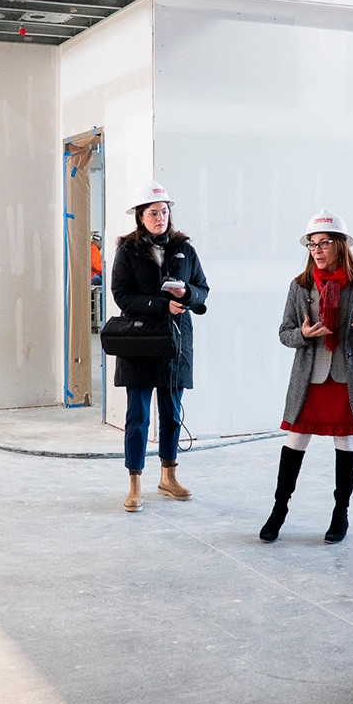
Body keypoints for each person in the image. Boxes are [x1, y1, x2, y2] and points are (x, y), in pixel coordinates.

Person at [260, 211, 353, 544]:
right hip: (310, 379)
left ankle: (340, 513)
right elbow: (285, 333)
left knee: (345, 442)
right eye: (312, 244)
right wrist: (302, 333)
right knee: (295, 441)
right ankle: (278, 510)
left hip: (348, 379)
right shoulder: (300, 286)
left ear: (340, 245)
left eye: (324, 243)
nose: (316, 250)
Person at [110, 182, 209, 512]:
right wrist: (159, 305)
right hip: (139, 341)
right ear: (140, 216)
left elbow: (203, 290)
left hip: (174, 342)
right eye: (153, 212)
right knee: (137, 416)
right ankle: (134, 483)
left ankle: (168, 477)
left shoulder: (184, 249)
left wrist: (187, 295)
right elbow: (122, 296)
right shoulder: (127, 250)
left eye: (164, 211)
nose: (160, 217)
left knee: (171, 413)